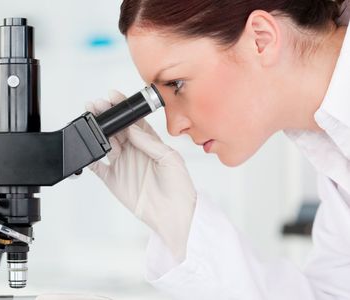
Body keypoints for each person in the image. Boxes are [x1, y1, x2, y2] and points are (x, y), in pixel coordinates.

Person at [85, 0, 350, 299]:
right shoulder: (334, 152)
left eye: (177, 83)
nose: (174, 128)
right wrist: (178, 223)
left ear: (261, 39)